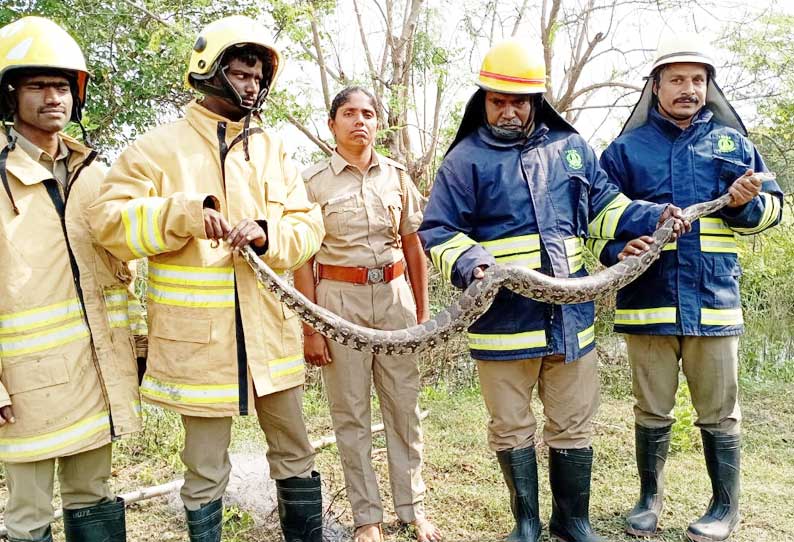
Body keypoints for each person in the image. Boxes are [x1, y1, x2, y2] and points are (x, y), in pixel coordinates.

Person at [418, 38, 689, 542]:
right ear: (483, 100)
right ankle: (526, 523)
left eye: (517, 101)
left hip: (571, 324)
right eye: (497, 100)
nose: (507, 110)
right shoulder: (464, 160)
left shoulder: (571, 150)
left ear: (536, 101)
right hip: (502, 326)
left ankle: (573, 522)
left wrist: (655, 215)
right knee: (511, 427)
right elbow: (437, 231)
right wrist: (473, 263)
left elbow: (607, 209)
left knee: (573, 424)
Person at [88, 16, 325, 542]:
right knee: (205, 468)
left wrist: (268, 233)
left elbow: (310, 227)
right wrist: (184, 214)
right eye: (241, 73)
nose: (252, 86)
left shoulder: (272, 149)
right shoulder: (155, 149)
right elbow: (106, 222)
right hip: (199, 350)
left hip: (271, 343)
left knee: (296, 454)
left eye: (258, 77)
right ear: (210, 71)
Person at [598, 34, 784, 542]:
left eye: (697, 80)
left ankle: (725, 508)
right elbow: (594, 221)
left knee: (719, 413)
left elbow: (773, 211)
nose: (688, 89)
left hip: (713, 302)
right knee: (651, 408)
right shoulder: (623, 152)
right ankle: (648, 498)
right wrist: (618, 251)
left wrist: (747, 201)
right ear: (655, 87)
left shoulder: (734, 144)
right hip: (647, 303)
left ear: (709, 88)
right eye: (677, 79)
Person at [0, 16, 144, 542]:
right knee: (28, 512)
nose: (52, 97)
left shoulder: (95, 175)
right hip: (25, 386)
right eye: (37, 85)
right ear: (9, 95)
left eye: (61, 86)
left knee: (93, 497)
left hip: (95, 371)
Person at [294, 86, 441, 542]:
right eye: (349, 113)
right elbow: (303, 260)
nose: (360, 121)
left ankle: (412, 509)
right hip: (339, 303)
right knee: (351, 413)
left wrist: (421, 312)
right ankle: (367, 518)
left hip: (394, 297)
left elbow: (414, 243)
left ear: (378, 123)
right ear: (332, 123)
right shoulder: (312, 182)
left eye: (369, 114)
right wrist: (311, 328)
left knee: (404, 408)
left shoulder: (396, 177)